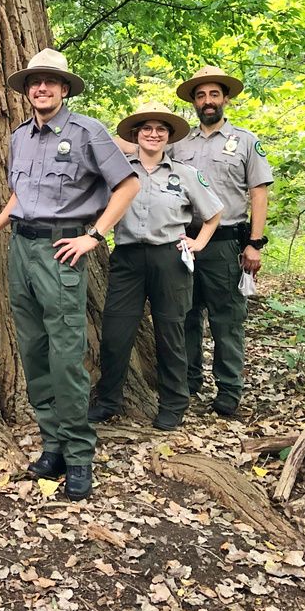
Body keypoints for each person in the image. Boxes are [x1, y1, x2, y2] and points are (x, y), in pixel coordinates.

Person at [0, 49, 139, 501]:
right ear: (27, 91)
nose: (42, 88)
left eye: (51, 82)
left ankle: (80, 456)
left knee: (65, 356)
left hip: (63, 252)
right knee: (34, 352)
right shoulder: (20, 136)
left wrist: (94, 237)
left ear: (64, 89)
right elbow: (19, 195)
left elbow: (129, 185)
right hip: (21, 248)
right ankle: (53, 446)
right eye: (34, 82)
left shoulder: (87, 132)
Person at [90, 103, 222, 430]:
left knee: (171, 332)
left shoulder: (185, 174)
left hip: (170, 259)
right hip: (127, 258)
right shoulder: (119, 172)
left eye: (160, 129)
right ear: (136, 135)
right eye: (146, 128)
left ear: (168, 136)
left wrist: (200, 242)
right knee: (117, 333)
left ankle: (174, 404)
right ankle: (108, 400)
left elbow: (213, 213)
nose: (153, 134)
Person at [171, 65, 273, 417]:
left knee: (226, 318)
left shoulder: (244, 141)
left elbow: (258, 193)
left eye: (214, 94)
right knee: (185, 314)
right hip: (184, 241)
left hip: (226, 243)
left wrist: (254, 243)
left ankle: (229, 389)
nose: (208, 101)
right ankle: (188, 380)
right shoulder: (178, 144)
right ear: (194, 102)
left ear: (225, 98)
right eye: (201, 95)